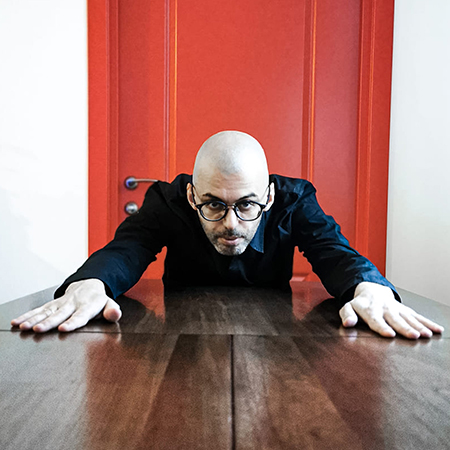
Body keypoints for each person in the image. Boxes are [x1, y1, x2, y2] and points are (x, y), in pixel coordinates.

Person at [12, 131, 443, 338]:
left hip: (275, 338)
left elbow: (333, 251)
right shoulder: (167, 200)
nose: (232, 224)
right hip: (178, 339)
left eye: (247, 205)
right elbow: (128, 248)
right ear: (191, 194)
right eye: (214, 204)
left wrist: (369, 287)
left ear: (269, 196)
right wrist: (92, 282)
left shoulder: (294, 199)